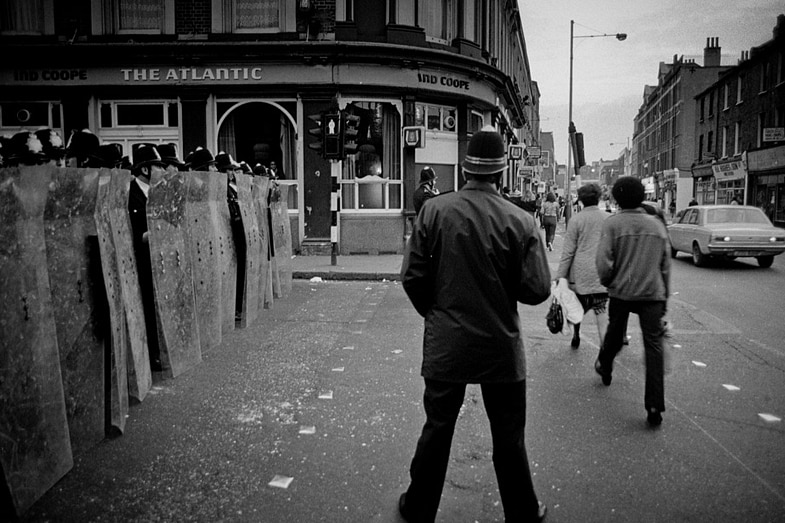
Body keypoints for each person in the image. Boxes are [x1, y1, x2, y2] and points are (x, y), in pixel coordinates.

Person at [399, 125, 551, 523]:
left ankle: (418, 507)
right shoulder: (521, 221)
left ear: (465, 170)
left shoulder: (434, 210)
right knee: (508, 437)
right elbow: (536, 290)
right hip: (500, 346)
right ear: (503, 173)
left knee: (437, 428)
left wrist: (436, 314)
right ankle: (522, 511)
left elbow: (413, 276)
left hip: (448, 343)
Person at [594, 176, 671, 427]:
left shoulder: (613, 224)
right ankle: (654, 405)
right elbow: (665, 266)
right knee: (654, 348)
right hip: (652, 294)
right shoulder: (657, 226)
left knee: (615, 335)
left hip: (622, 292)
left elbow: (604, 261)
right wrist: (665, 297)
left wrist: (608, 282)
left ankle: (605, 365)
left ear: (616, 197)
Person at [555, 183, 609, 350]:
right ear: (598, 198)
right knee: (601, 313)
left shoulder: (576, 220)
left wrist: (559, 277)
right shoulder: (608, 218)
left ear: (580, 200)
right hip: (601, 274)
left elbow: (568, 253)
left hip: (579, 276)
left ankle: (576, 335)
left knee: (577, 308)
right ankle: (605, 354)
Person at [128, 144, 168, 371]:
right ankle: (151, 354)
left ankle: (162, 348)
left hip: (161, 261)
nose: (162, 170)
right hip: (142, 263)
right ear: (145, 170)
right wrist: (150, 234)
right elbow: (127, 235)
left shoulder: (160, 193)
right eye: (158, 166)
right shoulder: (129, 194)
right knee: (147, 309)